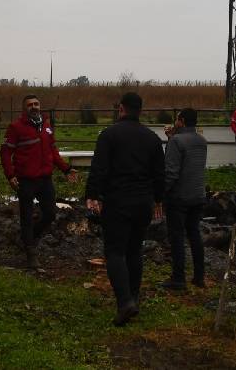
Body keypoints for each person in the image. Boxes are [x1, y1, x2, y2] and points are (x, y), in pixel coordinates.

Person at [85, 92, 165, 327]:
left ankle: (125, 302)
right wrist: (158, 199)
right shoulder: (152, 138)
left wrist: (92, 195)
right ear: (140, 110)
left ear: (121, 109)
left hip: (118, 201)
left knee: (115, 252)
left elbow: (99, 168)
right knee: (134, 251)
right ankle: (134, 297)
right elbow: (159, 173)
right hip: (143, 202)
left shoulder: (109, 135)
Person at [1, 94, 78, 270]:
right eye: (30, 105)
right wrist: (10, 175)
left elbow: (53, 150)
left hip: (45, 179)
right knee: (26, 217)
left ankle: (29, 238)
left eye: (36, 104)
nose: (34, 107)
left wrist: (65, 169)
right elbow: (5, 153)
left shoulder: (46, 125)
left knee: (50, 213)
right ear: (24, 108)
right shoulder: (16, 127)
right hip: (25, 180)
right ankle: (31, 254)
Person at [160, 107, 208, 291]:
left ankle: (178, 278)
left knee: (177, 237)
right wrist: (172, 138)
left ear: (181, 121)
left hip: (179, 197)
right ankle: (199, 276)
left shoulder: (177, 141)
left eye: (177, 120)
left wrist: (161, 194)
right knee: (194, 235)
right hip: (197, 195)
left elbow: (171, 173)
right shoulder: (201, 141)